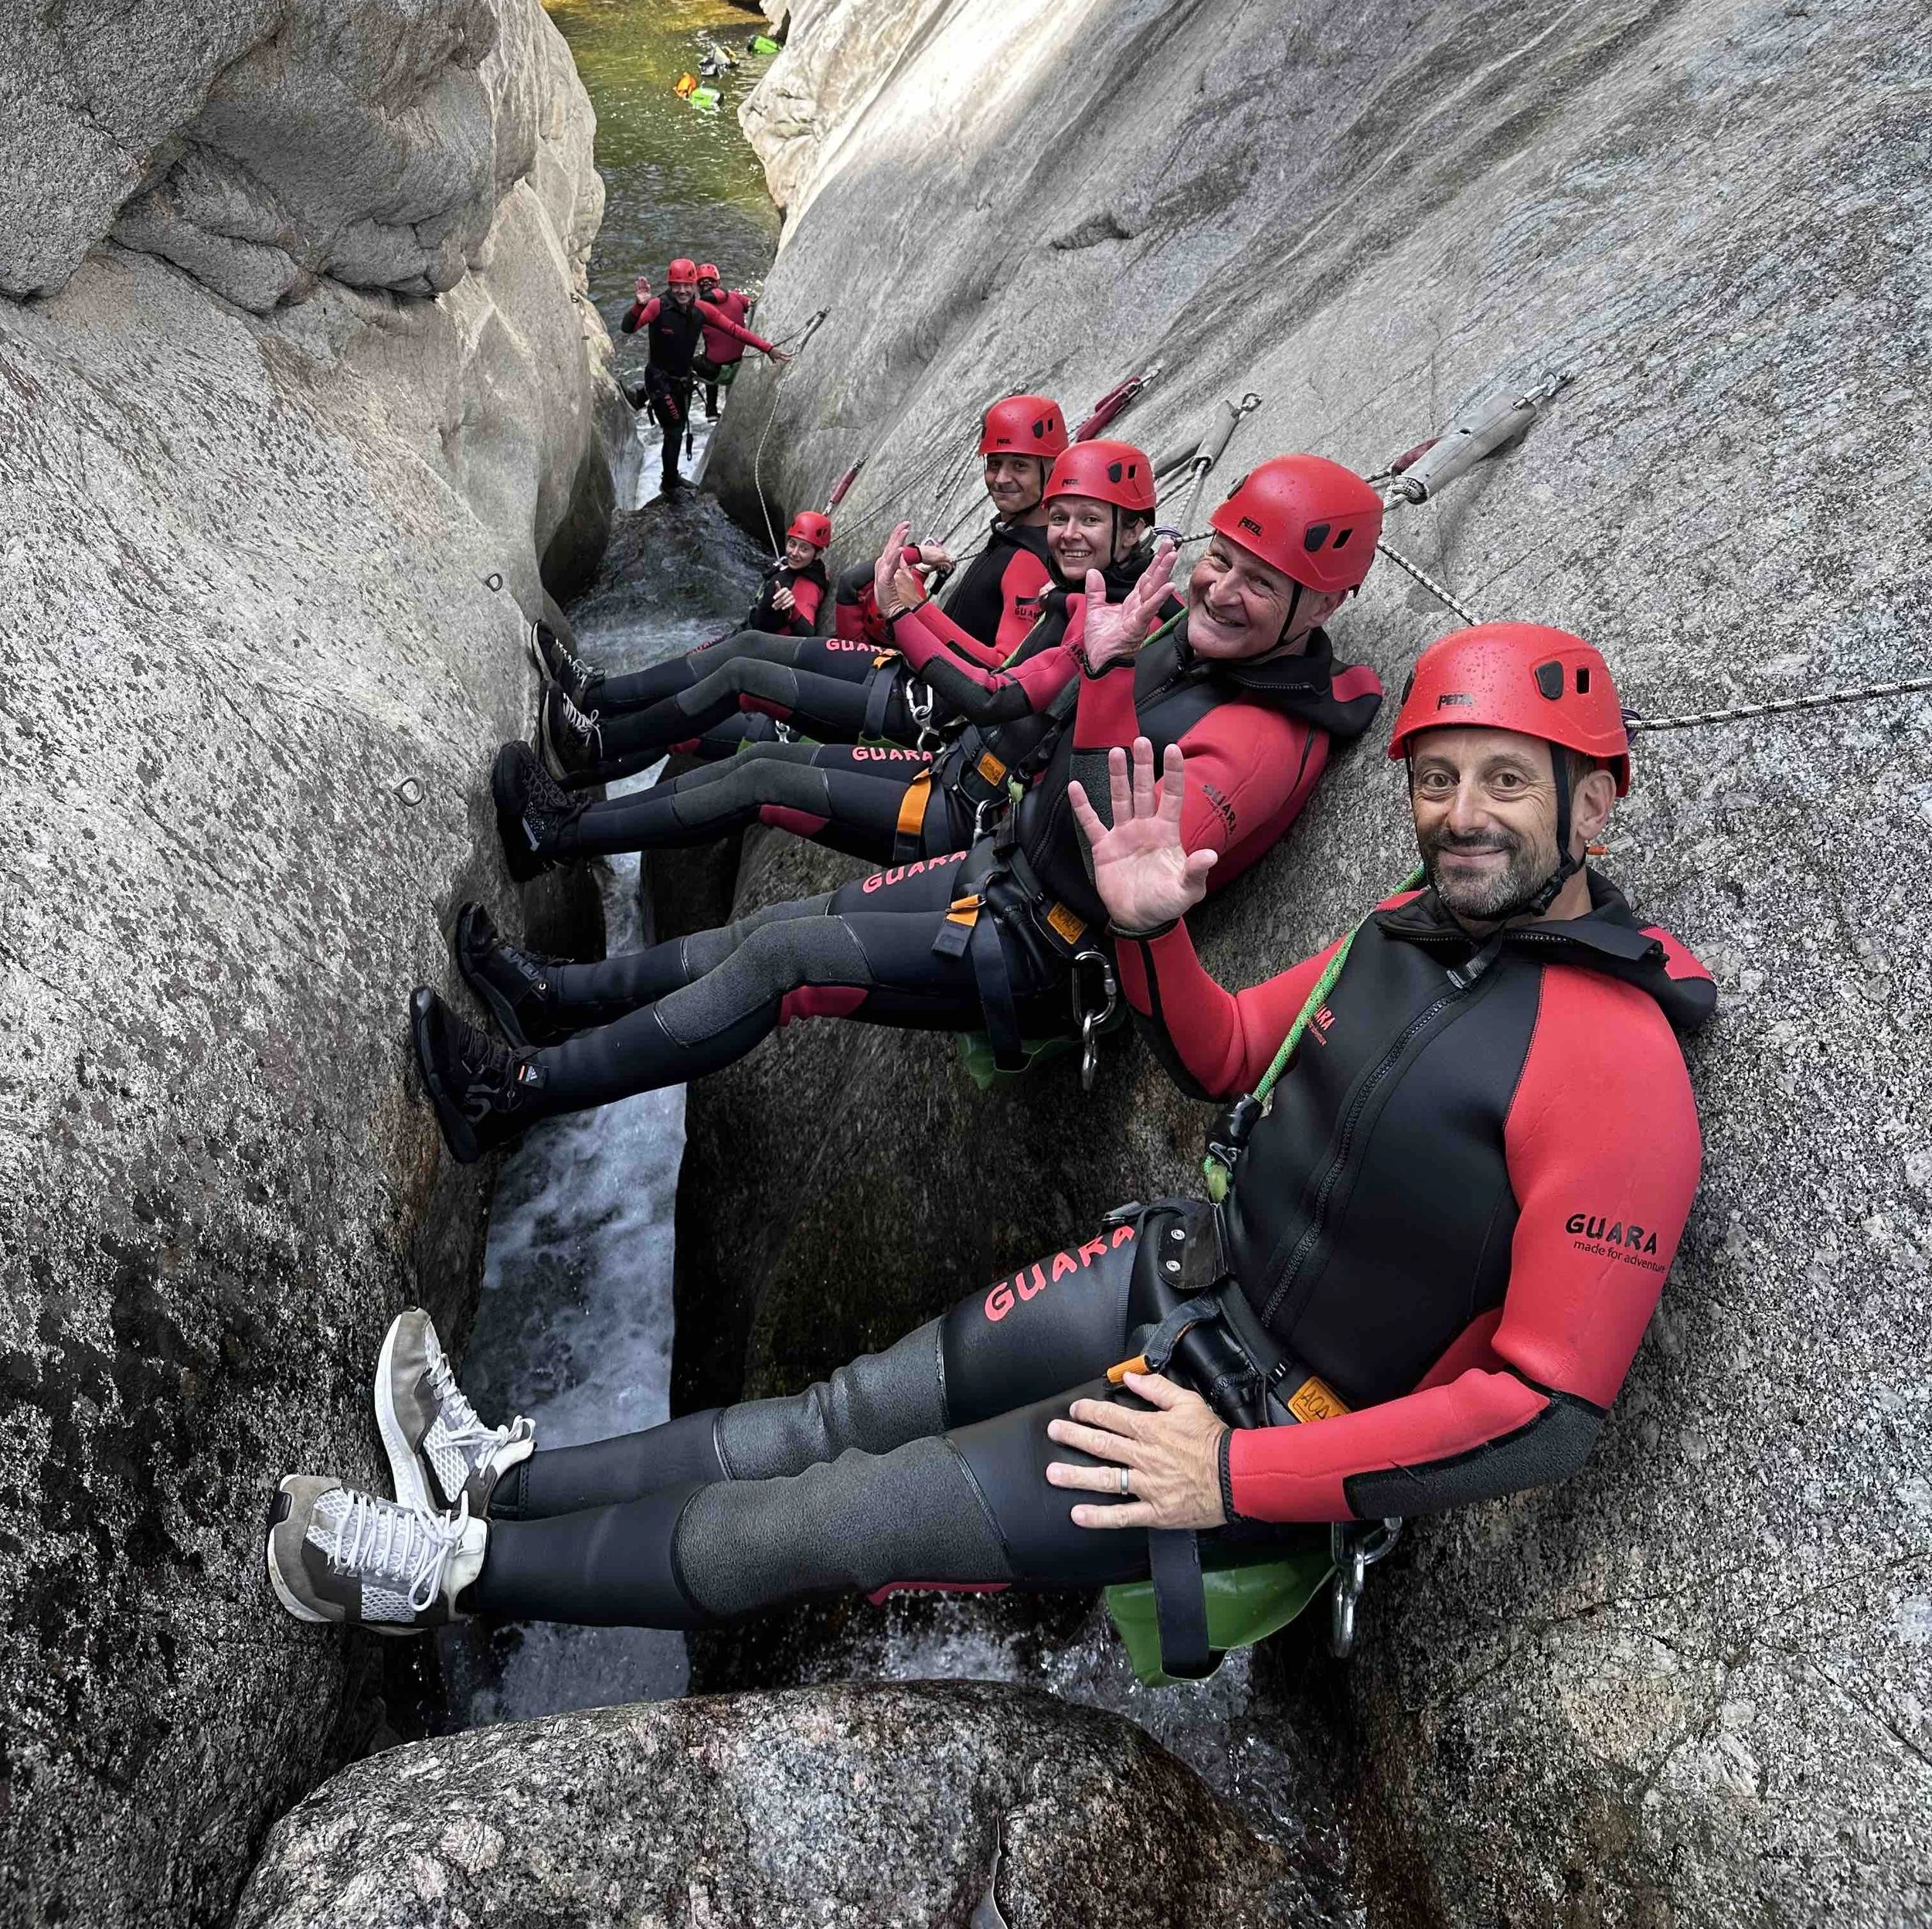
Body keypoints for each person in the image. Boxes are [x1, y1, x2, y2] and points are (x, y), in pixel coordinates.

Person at [264, 619, 1710, 1645]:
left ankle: (443, 1571)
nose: (1461, 815)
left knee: (821, 1518)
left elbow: (1544, 1408)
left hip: (1257, 1428)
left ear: (1599, 794)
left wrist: (1232, 1475)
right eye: (1438, 776)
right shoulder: (1397, 932)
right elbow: (1220, 1055)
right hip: (1174, 1275)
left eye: (1507, 779)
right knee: (826, 1415)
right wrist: (1156, 933)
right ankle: (501, 1477)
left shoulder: (1618, 1069)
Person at [418, 454, 1386, 1158]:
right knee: (775, 930)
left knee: (786, 958)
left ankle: (516, 1093)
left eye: (1262, 583)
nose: (1221, 590)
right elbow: (1027, 692)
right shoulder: (1171, 626)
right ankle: (552, 1000)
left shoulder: (1261, 743)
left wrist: (1098, 669)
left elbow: (1116, 865)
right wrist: (941, 624)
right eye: (1220, 559)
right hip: (996, 867)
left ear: (1322, 608)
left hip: (1037, 949)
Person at [498, 444, 1175, 877]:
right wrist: (908, 604)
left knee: (744, 700)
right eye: (1063, 515)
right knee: (746, 671)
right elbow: (1005, 675)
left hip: (943, 750)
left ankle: (585, 767)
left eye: (1018, 468)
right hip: (945, 747)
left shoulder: (1066, 587)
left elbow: (997, 686)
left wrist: (910, 614)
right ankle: (596, 716)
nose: (1000, 478)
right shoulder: (1070, 582)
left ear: (1134, 528)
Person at [833, 394, 1064, 652]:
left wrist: (918, 609)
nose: (1001, 478)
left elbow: (1002, 672)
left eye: (1019, 466)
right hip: (926, 674)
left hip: (932, 686)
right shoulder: (1010, 536)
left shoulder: (1029, 560)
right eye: (994, 464)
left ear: (1053, 469)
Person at [621, 258, 786, 492]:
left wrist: (767, 348)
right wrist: (639, 305)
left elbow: (734, 330)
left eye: (687, 285)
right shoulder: (658, 306)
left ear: (695, 286)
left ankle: (670, 478)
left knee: (676, 430)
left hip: (682, 380)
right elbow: (628, 328)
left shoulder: (701, 310)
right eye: (676, 285)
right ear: (670, 285)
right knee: (674, 431)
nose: (682, 290)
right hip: (660, 380)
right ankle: (669, 482)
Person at [746, 509, 832, 638]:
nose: (794, 553)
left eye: (804, 549)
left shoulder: (807, 587)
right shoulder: (806, 568)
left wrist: (792, 610)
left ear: (818, 554)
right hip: (752, 628)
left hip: (758, 642)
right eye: (792, 544)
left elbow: (807, 632)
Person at [692, 264, 753, 420]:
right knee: (708, 355)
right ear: (718, 283)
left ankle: (711, 410)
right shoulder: (735, 296)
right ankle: (712, 410)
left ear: (698, 288)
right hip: (741, 364)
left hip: (717, 372)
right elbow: (751, 305)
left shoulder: (697, 308)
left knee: (698, 359)